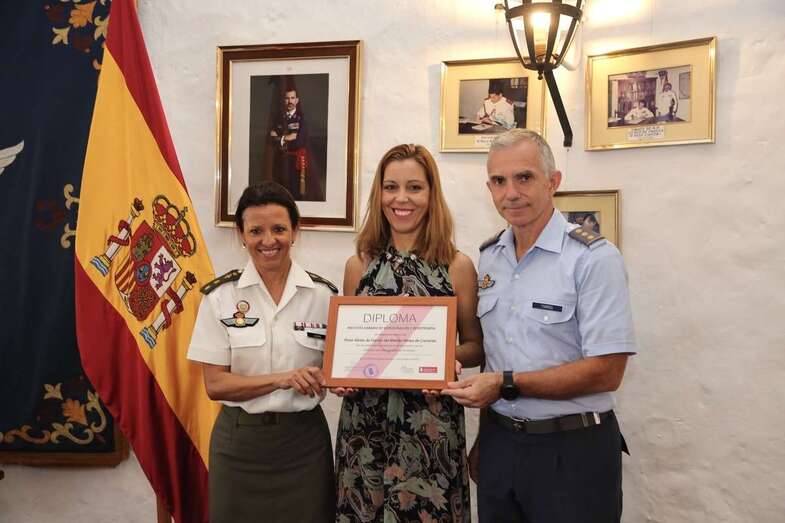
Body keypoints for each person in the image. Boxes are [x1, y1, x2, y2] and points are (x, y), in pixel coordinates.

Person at [442, 129, 637, 523]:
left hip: (573, 449)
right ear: (489, 188)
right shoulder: (491, 258)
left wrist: (505, 384)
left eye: (524, 177)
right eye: (499, 181)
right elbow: (497, 354)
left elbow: (607, 371)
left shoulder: (593, 259)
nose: (511, 192)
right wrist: (485, 437)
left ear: (553, 181)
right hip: (501, 444)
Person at [333, 144, 484, 522]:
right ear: (379, 193)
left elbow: (475, 347)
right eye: (391, 187)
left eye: (414, 187)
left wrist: (444, 359)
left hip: (430, 432)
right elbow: (350, 348)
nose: (401, 198)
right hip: (364, 433)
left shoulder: (457, 266)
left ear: (431, 194)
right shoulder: (358, 266)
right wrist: (343, 375)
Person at [187, 182, 337, 523]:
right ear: (241, 235)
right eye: (256, 231)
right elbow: (216, 385)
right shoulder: (219, 297)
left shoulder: (324, 297)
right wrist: (282, 379)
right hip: (239, 445)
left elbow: (339, 371)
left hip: (304, 445)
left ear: (295, 231)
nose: (268, 240)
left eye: (279, 229)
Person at [269, 88, 309, 199]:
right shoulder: (278, 118)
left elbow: (298, 142)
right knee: (279, 194)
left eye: (292, 98)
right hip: (280, 161)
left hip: (294, 164)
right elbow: (270, 140)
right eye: (287, 98)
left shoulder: (302, 119)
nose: (290, 101)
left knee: (294, 194)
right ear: (284, 100)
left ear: (297, 100)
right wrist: (287, 137)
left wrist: (279, 138)